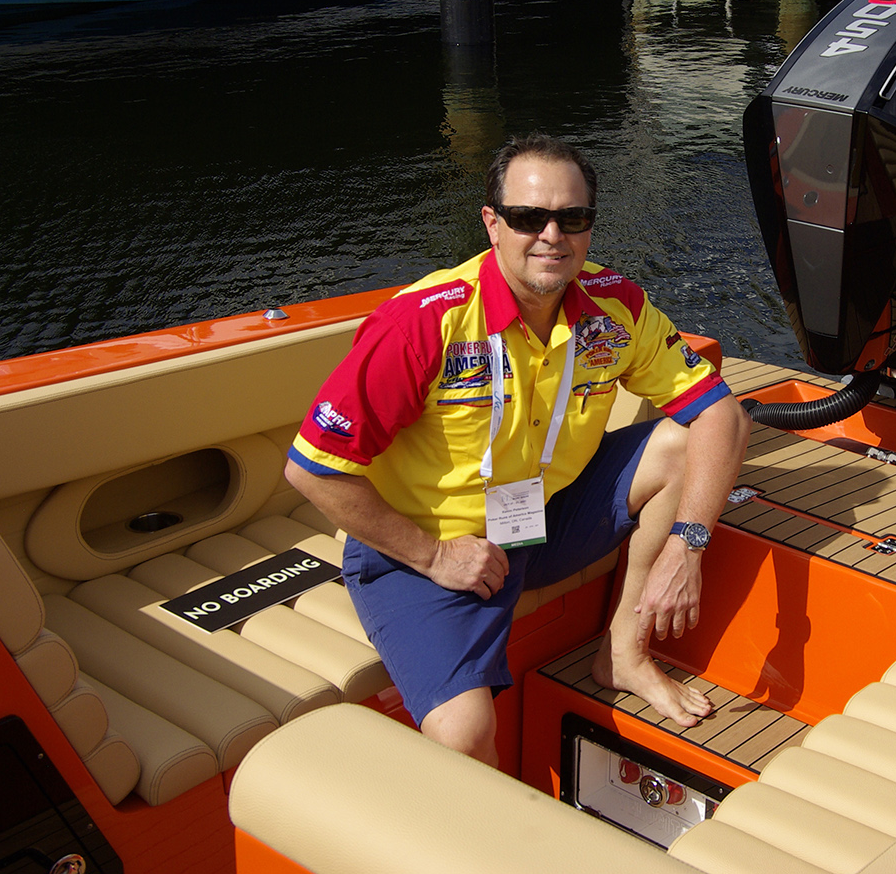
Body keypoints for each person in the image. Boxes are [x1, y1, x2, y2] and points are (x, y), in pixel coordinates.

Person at [284, 133, 751, 765]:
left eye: (572, 218)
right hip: (428, 546)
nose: (551, 236)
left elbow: (722, 414)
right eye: (529, 217)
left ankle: (625, 649)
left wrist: (687, 544)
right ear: (493, 223)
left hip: (540, 517)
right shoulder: (423, 322)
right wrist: (433, 555)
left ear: (590, 226)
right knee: (464, 735)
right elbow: (312, 470)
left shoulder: (615, 305)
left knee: (681, 444)